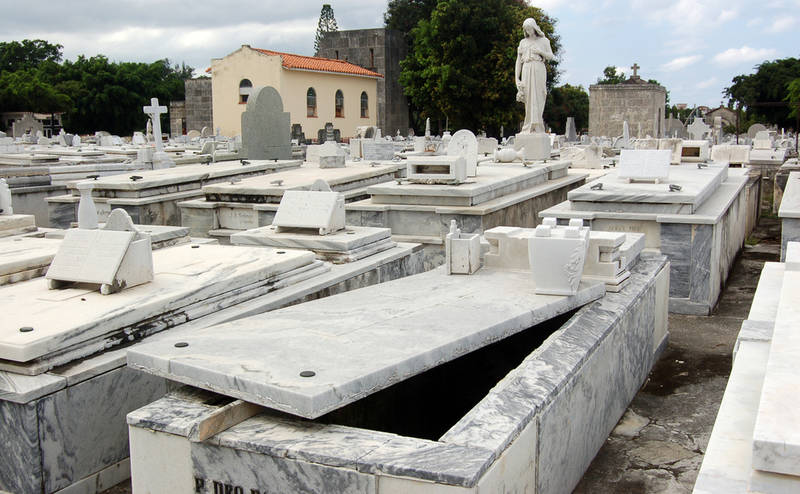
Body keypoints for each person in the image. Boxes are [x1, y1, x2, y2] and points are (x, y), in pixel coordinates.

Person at [515, 17, 554, 134]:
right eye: (526, 29)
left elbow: (550, 56)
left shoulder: (544, 41)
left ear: (534, 27)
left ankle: (537, 125)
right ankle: (528, 125)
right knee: (528, 98)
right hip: (526, 69)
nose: (528, 31)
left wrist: (540, 52)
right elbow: (518, 62)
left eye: (530, 29)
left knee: (539, 95)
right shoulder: (523, 42)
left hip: (539, 69)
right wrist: (517, 78)